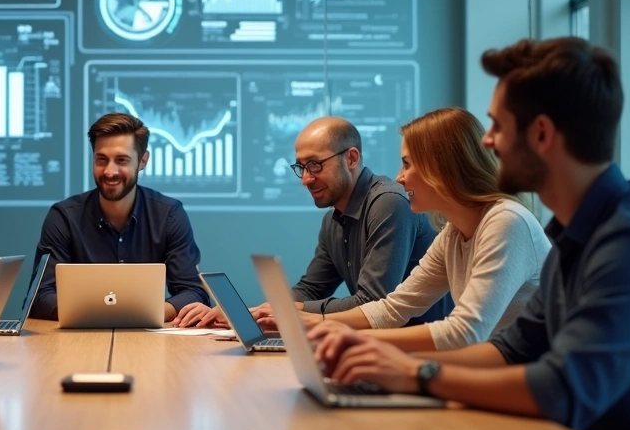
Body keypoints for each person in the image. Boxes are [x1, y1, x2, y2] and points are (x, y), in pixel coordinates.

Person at [311, 38, 630, 430]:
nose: (487, 141)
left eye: (497, 126)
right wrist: (385, 362)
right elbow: (514, 350)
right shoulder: (572, 233)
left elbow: (560, 388)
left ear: (541, 134)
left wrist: (417, 374)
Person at [301, 107, 549, 352]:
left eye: (407, 164)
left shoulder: (506, 221)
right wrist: (319, 323)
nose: (399, 178)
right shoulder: (452, 235)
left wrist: (352, 337)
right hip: (502, 373)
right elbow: (393, 309)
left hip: (536, 385)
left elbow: (465, 332)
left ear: (441, 167)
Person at [175, 117, 450, 328]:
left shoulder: (389, 202)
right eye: (301, 167)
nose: (306, 178)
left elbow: (373, 302)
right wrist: (250, 313)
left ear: (351, 158)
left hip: (416, 351)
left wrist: (292, 312)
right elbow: (310, 289)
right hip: (382, 345)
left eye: (315, 165)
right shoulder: (333, 219)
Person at [31, 112, 209, 322]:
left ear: (142, 161)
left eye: (122, 160)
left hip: (149, 343)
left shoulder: (169, 215)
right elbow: (40, 297)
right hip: (77, 342)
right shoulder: (63, 217)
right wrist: (104, 315)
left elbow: (195, 293)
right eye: (101, 159)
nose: (110, 171)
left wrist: (150, 313)